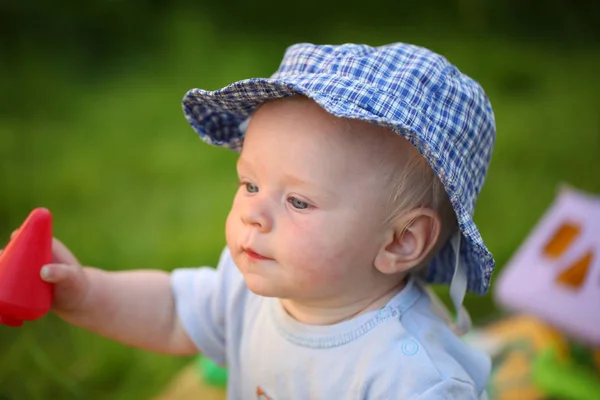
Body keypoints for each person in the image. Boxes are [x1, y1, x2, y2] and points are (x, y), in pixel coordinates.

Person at [35, 42, 496, 399]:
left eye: (297, 201)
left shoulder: (412, 378)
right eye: (249, 185)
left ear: (400, 242)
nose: (253, 213)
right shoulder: (247, 285)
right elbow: (174, 311)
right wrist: (86, 292)